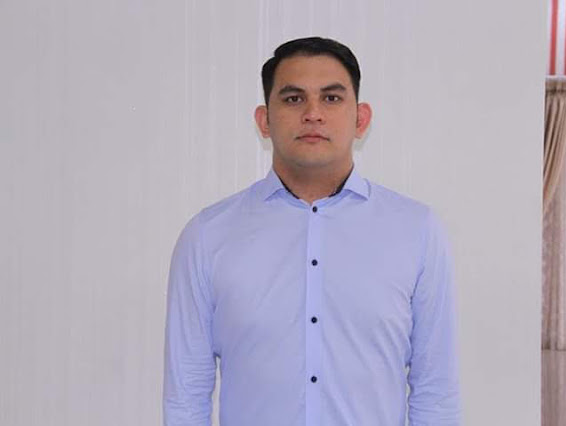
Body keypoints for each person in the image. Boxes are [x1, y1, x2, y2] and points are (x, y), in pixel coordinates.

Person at [163, 36, 460, 426]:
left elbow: (435, 392)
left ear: (361, 119)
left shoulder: (417, 231)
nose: (313, 113)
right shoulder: (207, 237)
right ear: (264, 121)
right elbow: (186, 395)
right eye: (293, 99)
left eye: (331, 98)